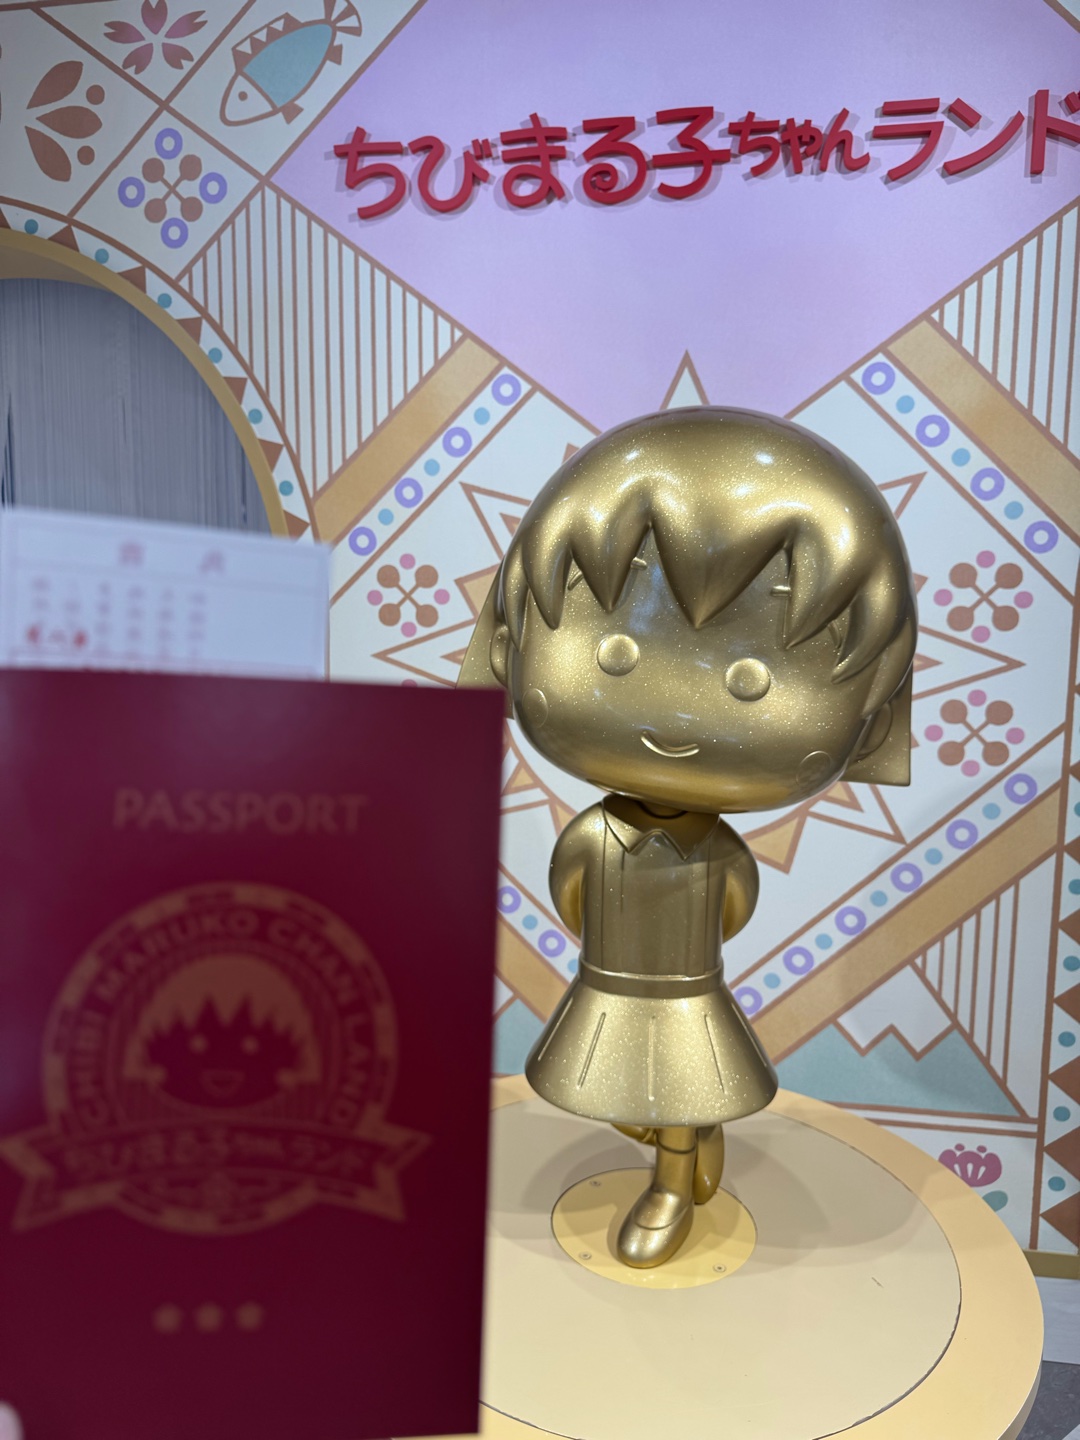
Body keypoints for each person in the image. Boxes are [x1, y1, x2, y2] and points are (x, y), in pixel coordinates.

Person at [462, 406, 917, 1267]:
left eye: (751, 682)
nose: (678, 718)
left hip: (687, 993)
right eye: (616, 657)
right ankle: (679, 1144)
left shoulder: (713, 849)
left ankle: (674, 1182)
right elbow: (596, 895)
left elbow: (715, 906)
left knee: (685, 1086)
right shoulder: (597, 834)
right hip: (609, 984)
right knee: (609, 1086)